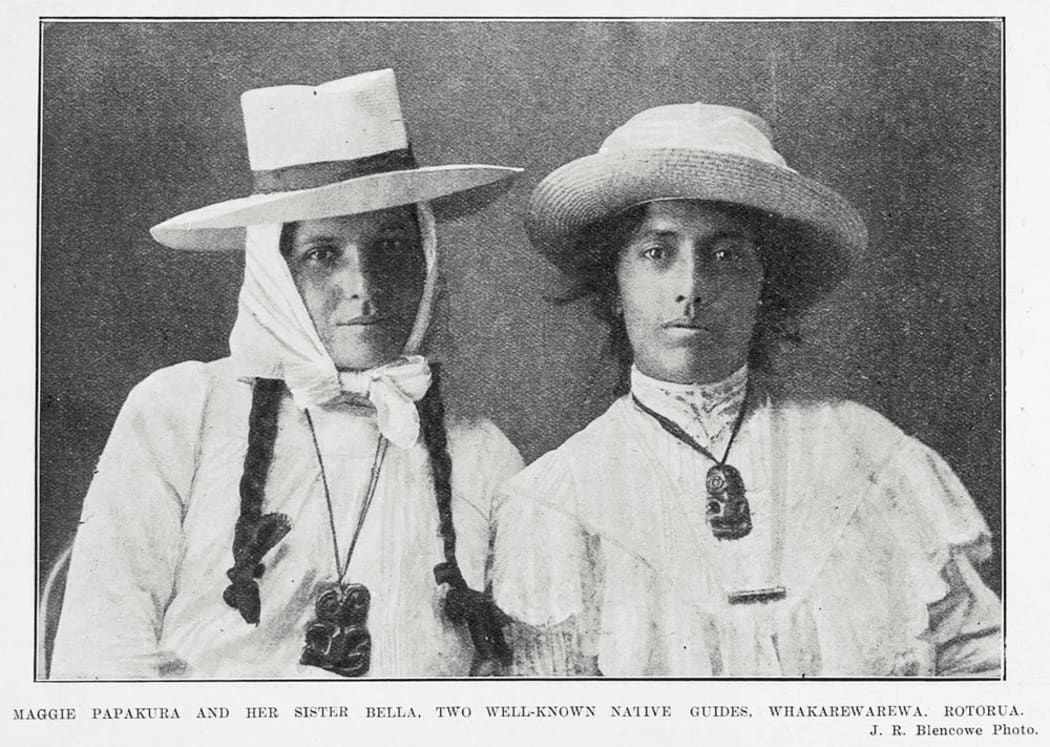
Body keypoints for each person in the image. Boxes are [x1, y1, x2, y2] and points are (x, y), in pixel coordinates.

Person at [490, 103, 1001, 677]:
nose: (691, 287)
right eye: (657, 254)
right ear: (613, 281)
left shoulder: (869, 454)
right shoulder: (557, 499)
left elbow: (979, 662)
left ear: (766, 282)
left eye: (726, 256)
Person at [48, 69, 524, 679]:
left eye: (392, 250)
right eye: (324, 255)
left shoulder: (483, 455)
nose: (363, 288)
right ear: (275, 274)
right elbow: (100, 654)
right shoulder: (181, 410)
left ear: (427, 260)